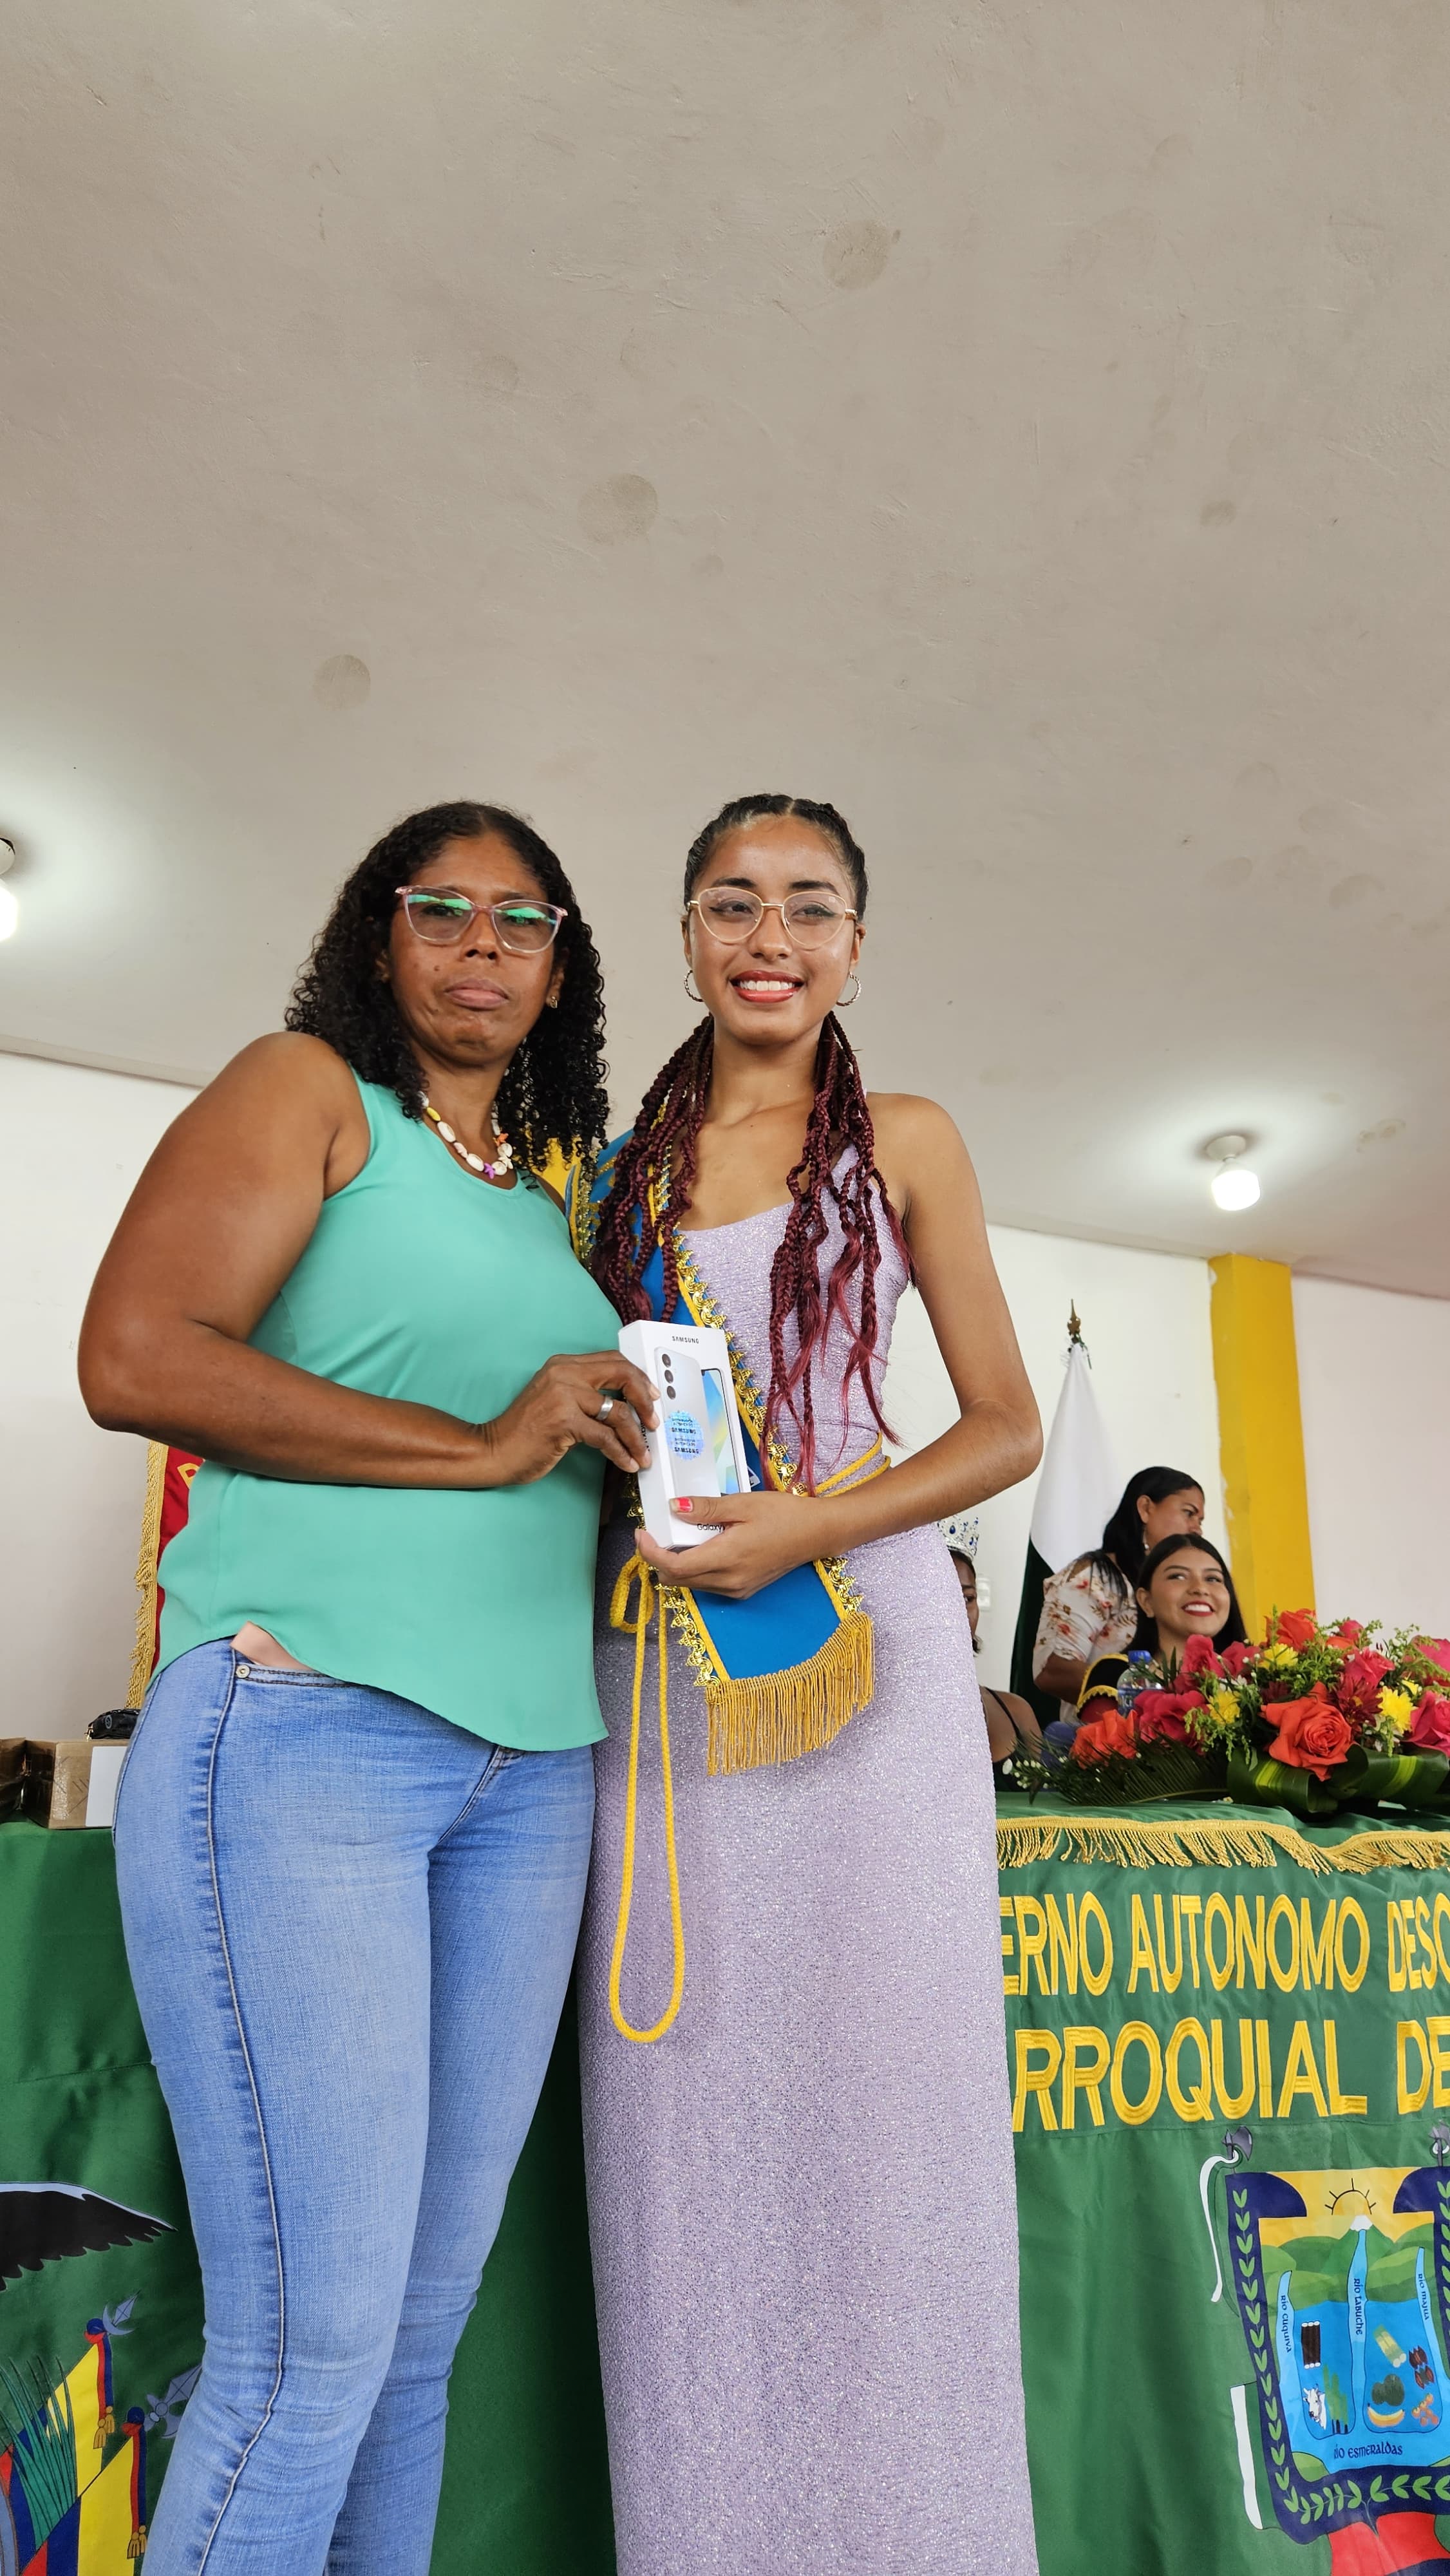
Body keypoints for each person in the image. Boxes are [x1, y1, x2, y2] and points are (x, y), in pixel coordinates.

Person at [77, 801, 658, 2576]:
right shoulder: (309, 1094)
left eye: (522, 920)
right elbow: (135, 1353)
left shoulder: (549, 1218)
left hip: (532, 1772)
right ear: (376, 934)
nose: (482, 943)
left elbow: (544, 1470)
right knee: (306, 2354)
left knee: (412, 2343)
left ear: (561, 968)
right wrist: (483, 1444)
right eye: (441, 908)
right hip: (309, 1723)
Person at [575, 792, 1043, 2576]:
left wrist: (812, 1522)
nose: (766, 936)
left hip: (864, 1659)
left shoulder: (903, 1137)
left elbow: (1002, 1426)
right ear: (687, 932)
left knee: (889, 2109)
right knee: (684, 2120)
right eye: (730, 901)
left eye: (806, 905)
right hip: (667, 1673)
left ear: (854, 943)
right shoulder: (612, 1175)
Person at [1032, 1465, 1206, 1719]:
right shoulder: (1095, 1577)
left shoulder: (1180, 1591)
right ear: (1146, 1509)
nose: (1197, 1529)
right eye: (1189, 1513)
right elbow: (1053, 1671)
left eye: (1200, 1521)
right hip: (1103, 1738)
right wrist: (1150, 1699)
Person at [1077, 1531, 1248, 1719]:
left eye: (1213, 1579)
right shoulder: (1118, 1675)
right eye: (1178, 1576)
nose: (1200, 1588)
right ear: (1146, 1601)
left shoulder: (1250, 1677)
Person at [948, 1534, 1046, 1781]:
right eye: (942, 1598)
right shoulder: (897, 1717)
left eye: (967, 1598)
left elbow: (1044, 1801)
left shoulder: (1017, 1711)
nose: (958, 1611)